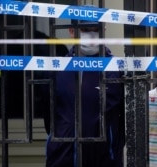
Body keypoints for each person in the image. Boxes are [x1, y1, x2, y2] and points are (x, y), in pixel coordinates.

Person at [44, 20, 125, 167]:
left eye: (96, 30)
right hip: (63, 159)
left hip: (104, 160)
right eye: (85, 30)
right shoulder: (58, 70)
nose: (91, 35)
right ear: (71, 31)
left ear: (104, 30)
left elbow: (124, 119)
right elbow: (48, 116)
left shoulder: (116, 70)